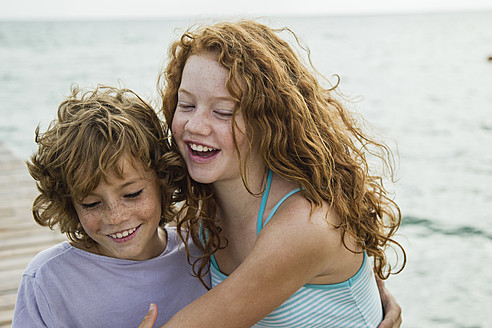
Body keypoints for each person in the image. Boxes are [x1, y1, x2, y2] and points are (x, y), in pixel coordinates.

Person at [138, 20, 406, 327]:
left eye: (223, 112)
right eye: (186, 105)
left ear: (268, 120)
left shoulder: (307, 223)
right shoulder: (200, 213)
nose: (195, 125)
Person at [12, 85, 209, 327]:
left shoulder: (199, 254)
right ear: (69, 204)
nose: (115, 217)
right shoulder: (47, 280)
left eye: (132, 194)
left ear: (163, 181)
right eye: (92, 203)